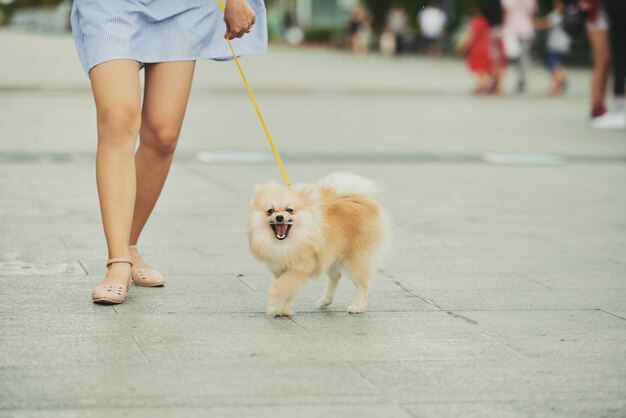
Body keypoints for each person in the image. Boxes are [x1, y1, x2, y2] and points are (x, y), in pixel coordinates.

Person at [70, 0, 266, 304]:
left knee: (163, 135)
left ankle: (130, 245)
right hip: (110, 6)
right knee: (117, 119)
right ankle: (118, 260)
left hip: (182, 7)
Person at [593, 0, 625, 129]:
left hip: (618, 12)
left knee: (619, 59)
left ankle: (618, 111)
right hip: (616, 13)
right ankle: (617, 109)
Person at [501, 0, 537, 93]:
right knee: (524, 57)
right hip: (526, 29)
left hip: (512, 29)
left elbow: (506, 11)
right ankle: (522, 81)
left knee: (516, 57)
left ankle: (520, 82)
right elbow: (531, 13)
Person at [536, 0, 571, 95]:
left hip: (555, 44)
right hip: (563, 44)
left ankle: (557, 84)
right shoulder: (567, 14)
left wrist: (537, 24)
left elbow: (547, 23)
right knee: (558, 64)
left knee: (552, 66)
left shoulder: (555, 14)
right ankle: (562, 79)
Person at [459, 8, 494, 94]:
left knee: (479, 69)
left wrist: (463, 46)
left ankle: (484, 85)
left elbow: (471, 35)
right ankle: (484, 84)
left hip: (477, 49)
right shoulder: (486, 21)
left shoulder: (476, 21)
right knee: (483, 70)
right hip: (486, 48)